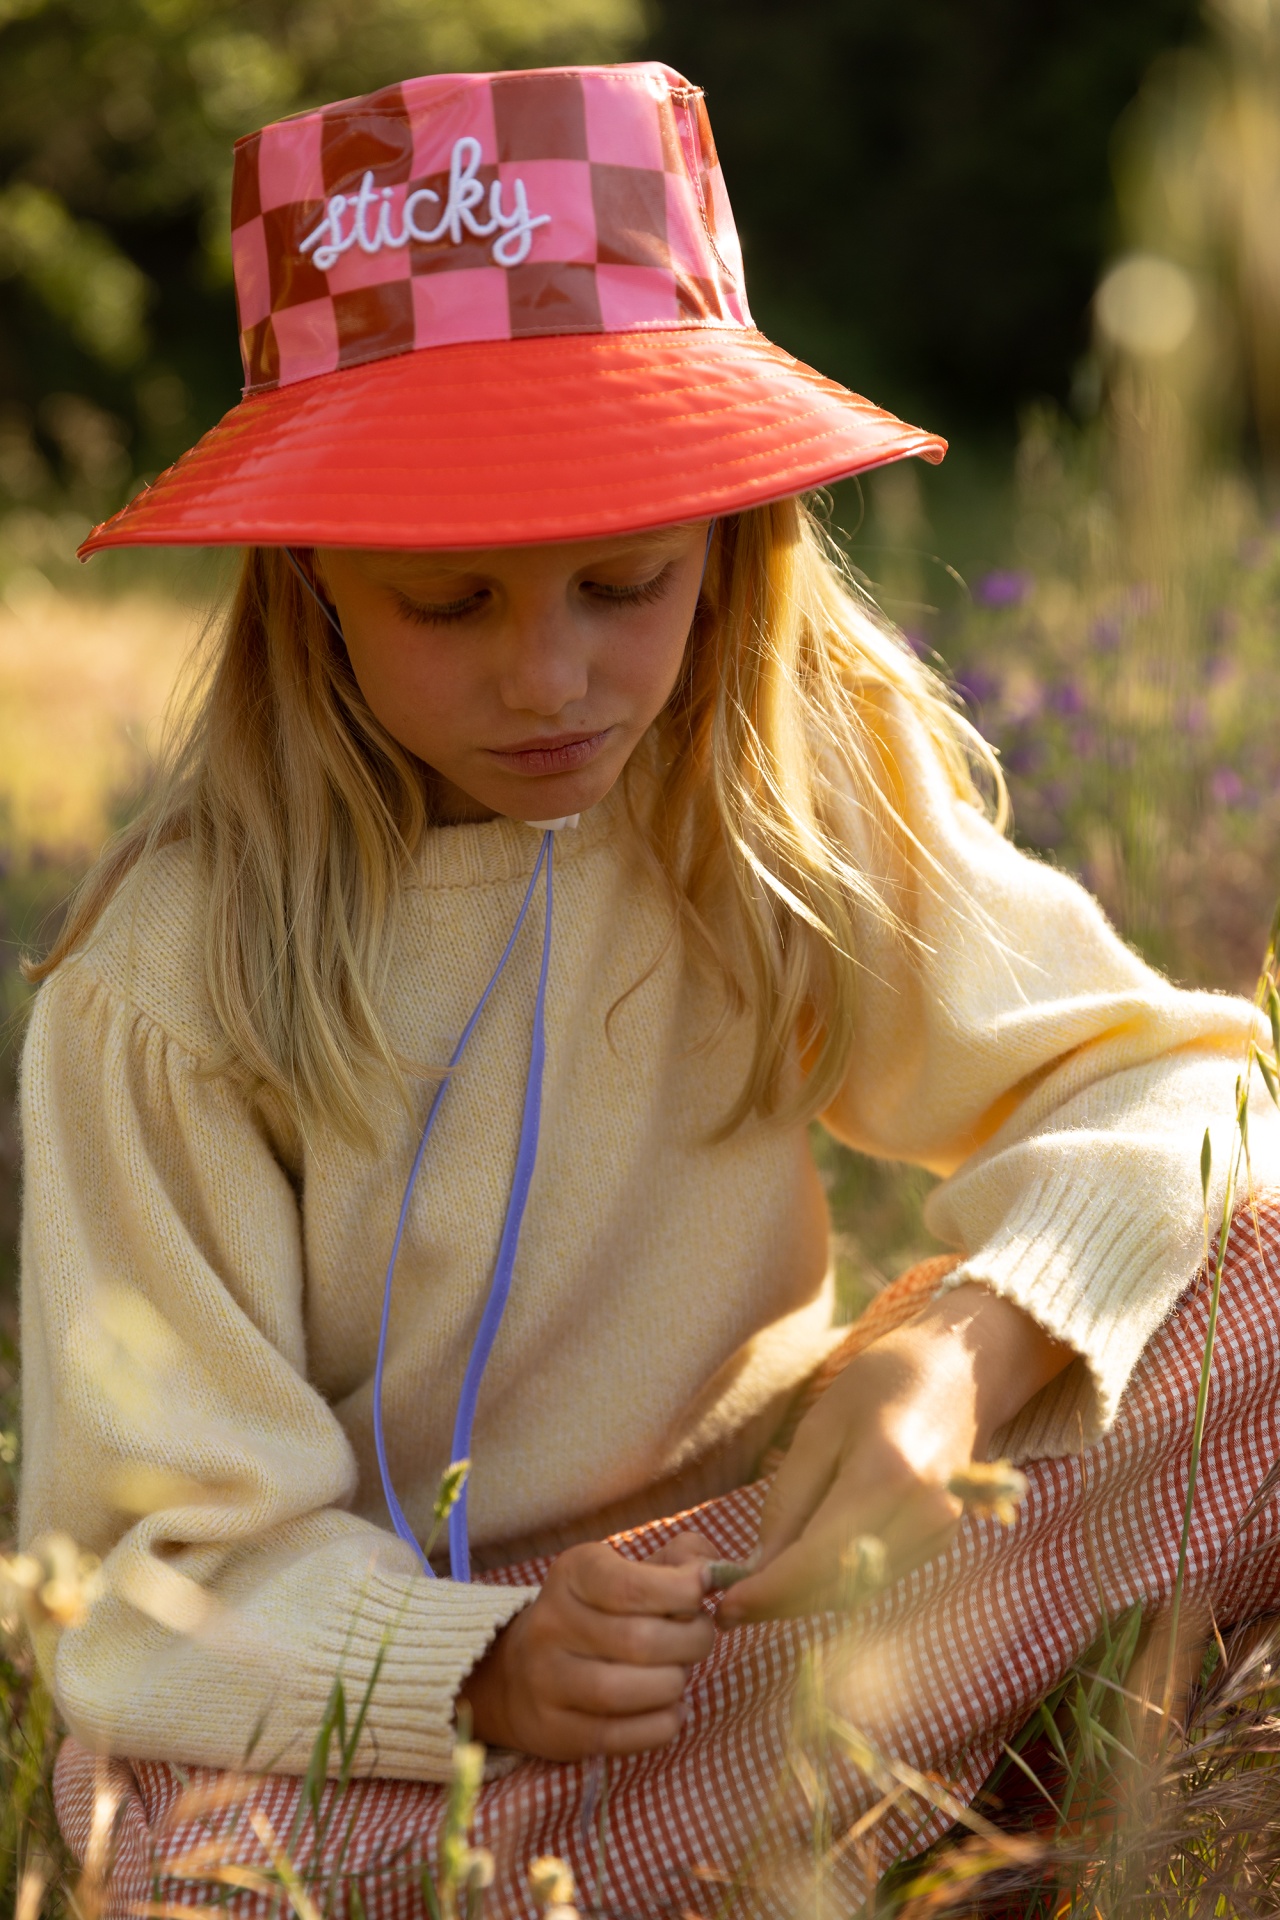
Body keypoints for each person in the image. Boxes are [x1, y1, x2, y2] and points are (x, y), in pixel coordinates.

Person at [23, 59, 1280, 1920]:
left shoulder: (777, 789)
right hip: (432, 1739)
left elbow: (1173, 1091)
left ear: (729, 547)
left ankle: (883, 1790)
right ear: (310, 580)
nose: (554, 680)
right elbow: (148, 1569)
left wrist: (972, 1346)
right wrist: (477, 1664)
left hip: (776, 1592)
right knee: (179, 1851)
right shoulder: (171, 993)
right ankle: (904, 1813)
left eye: (625, 583)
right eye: (451, 606)